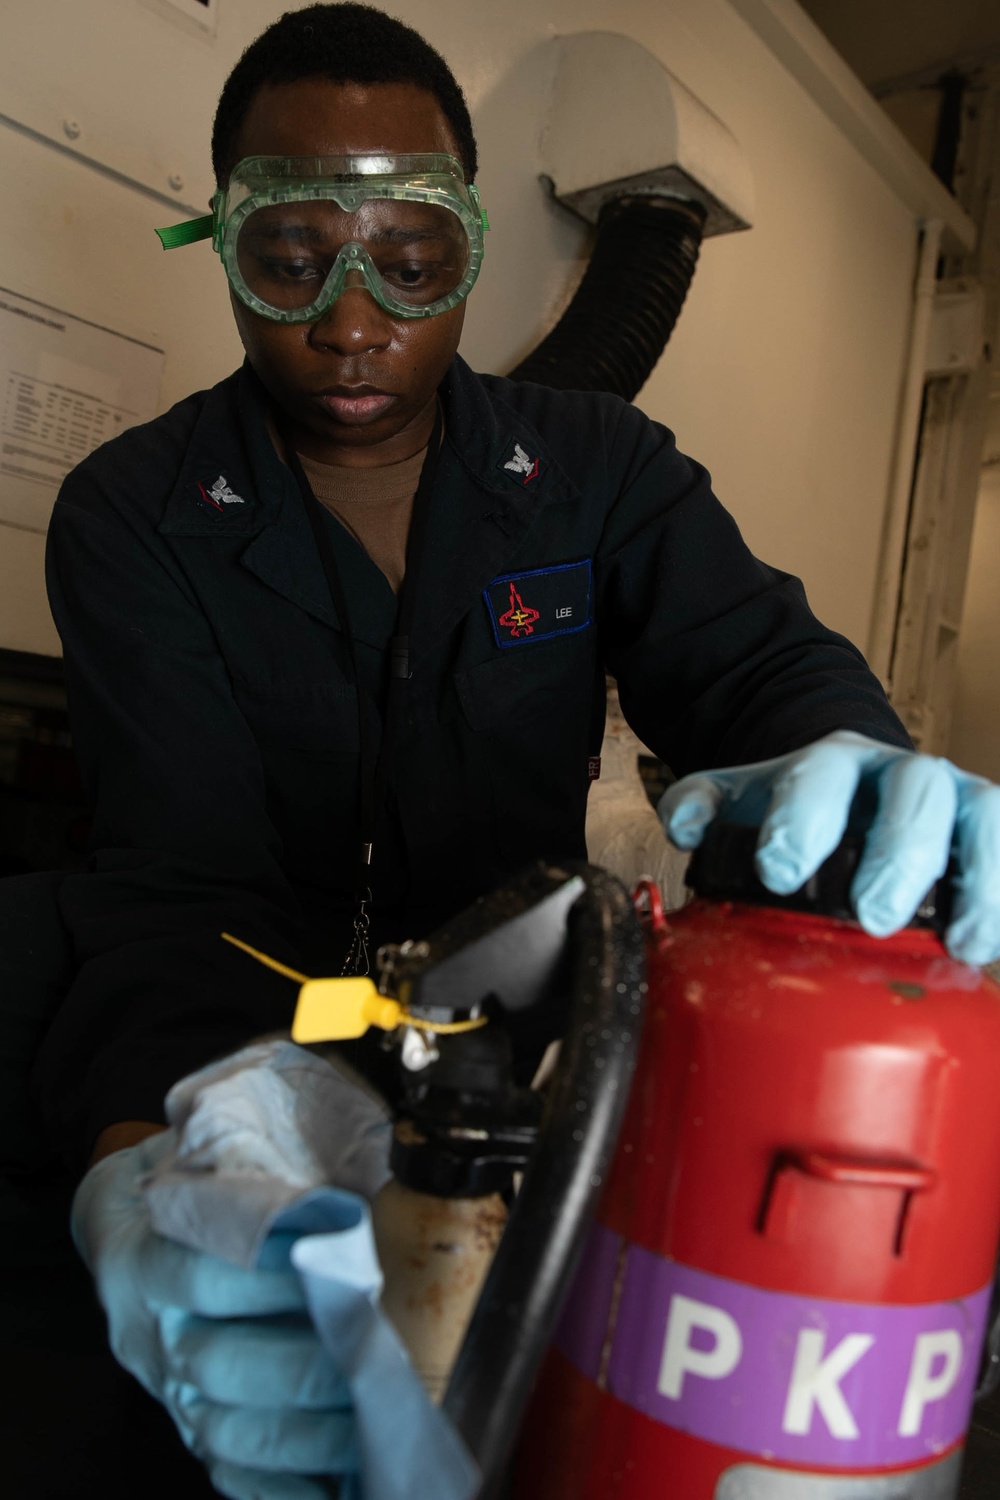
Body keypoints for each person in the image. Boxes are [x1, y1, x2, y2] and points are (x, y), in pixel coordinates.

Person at [27, 4, 1000, 1497]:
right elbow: (175, 880)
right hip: (250, 1058)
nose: (353, 318)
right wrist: (158, 1155)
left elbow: (762, 672)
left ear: (468, 249)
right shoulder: (132, 512)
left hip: (522, 1068)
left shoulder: (597, 473)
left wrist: (855, 762)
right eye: (292, 258)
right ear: (221, 246)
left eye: (410, 262)